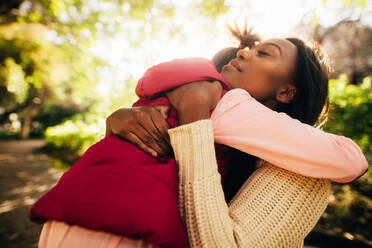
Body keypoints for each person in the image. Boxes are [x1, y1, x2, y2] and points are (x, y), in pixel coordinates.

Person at [32, 24, 368, 248]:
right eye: (239, 53)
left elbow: (351, 160)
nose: (242, 53)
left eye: (264, 53)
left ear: (287, 92)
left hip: (77, 220)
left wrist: (192, 116)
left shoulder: (225, 111)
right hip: (117, 228)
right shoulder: (223, 105)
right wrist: (121, 119)